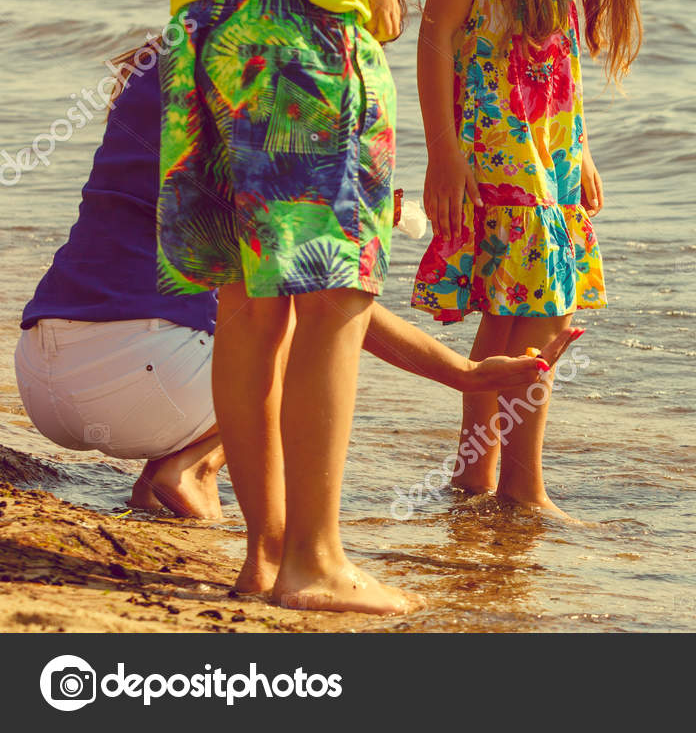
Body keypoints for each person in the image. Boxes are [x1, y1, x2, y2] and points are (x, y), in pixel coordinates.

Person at [97, 0, 414, 613]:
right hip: (305, 37)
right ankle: (317, 561)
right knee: (333, 298)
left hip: (205, 40)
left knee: (246, 302)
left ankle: (264, 558)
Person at [15, 45, 563, 521]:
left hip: (40, 373)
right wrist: (463, 373)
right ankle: (194, 466)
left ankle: (160, 478)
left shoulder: (156, 63)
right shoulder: (288, 80)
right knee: (290, 317)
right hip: (141, 383)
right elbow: (319, 292)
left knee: (247, 291)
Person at [410, 0, 642, 515]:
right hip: (490, 127)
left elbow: (554, 48)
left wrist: (584, 148)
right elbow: (438, 31)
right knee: (545, 304)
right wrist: (443, 154)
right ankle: (521, 485)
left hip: (550, 136)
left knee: (515, 307)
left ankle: (476, 476)